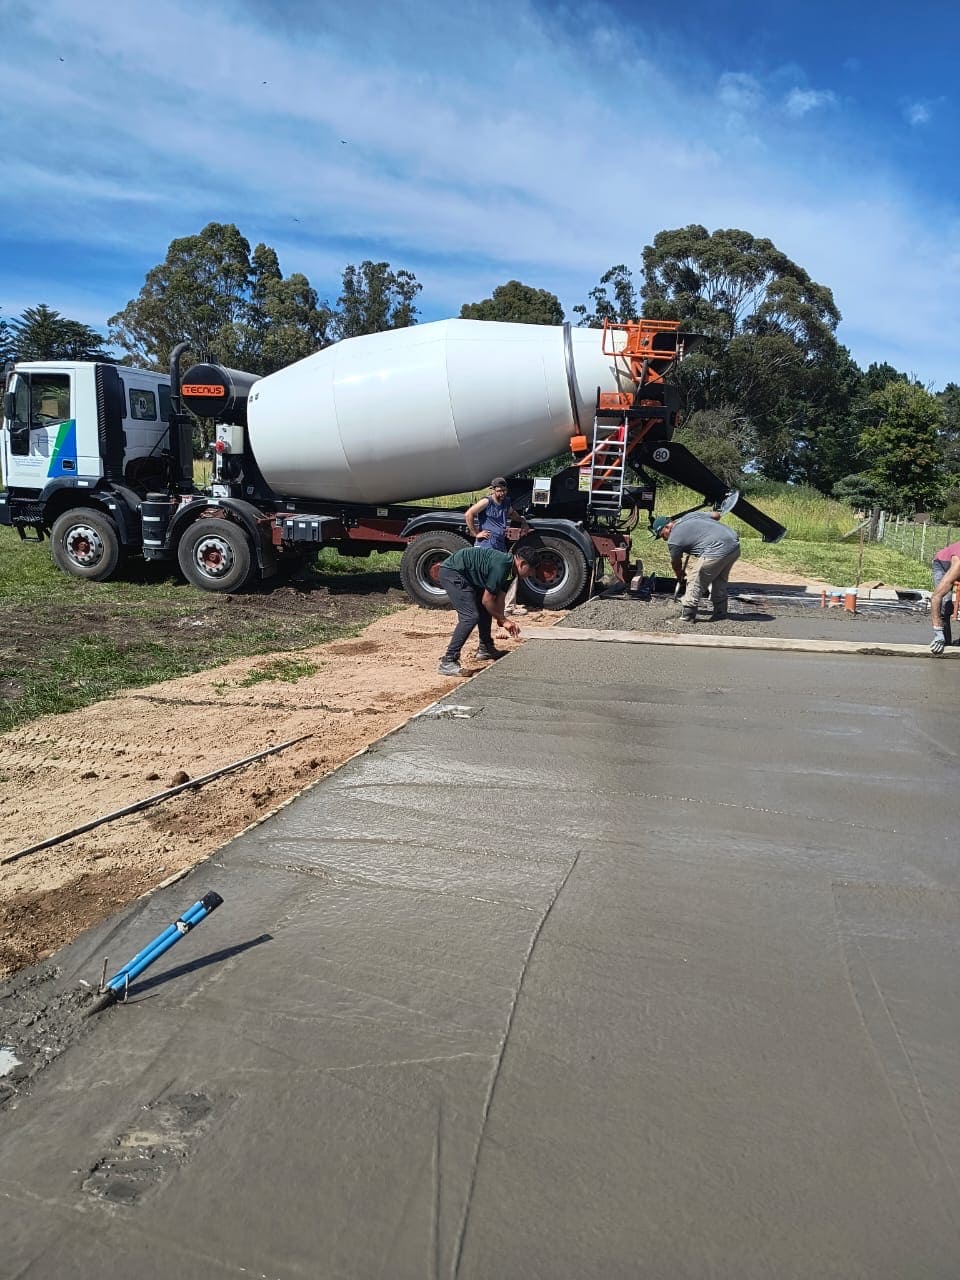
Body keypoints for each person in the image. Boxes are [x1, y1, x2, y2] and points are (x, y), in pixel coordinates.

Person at [437, 542, 533, 676]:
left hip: (469, 576)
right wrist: (502, 619)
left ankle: (485, 648)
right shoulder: (503, 566)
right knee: (470, 617)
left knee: (484, 609)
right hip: (453, 572)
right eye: (531, 570)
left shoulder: (511, 572)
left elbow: (499, 598)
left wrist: (501, 619)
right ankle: (448, 661)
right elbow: (487, 599)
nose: (531, 574)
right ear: (522, 564)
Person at [651, 511, 740, 622]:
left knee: (696, 579)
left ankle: (688, 613)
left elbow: (676, 563)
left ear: (667, 527)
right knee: (718, 579)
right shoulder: (690, 516)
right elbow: (717, 515)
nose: (664, 539)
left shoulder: (673, 539)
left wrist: (679, 575)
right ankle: (720, 612)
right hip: (734, 545)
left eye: (661, 535)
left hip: (716, 548)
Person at [465, 477, 530, 615]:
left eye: (504, 490)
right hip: (486, 544)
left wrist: (523, 521)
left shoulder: (506, 502)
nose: (502, 493)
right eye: (499, 491)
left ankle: (508, 607)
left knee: (509, 573)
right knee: (482, 574)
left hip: (499, 544)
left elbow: (513, 514)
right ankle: (477, 605)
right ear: (493, 490)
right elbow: (469, 514)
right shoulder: (486, 501)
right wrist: (476, 533)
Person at [929, 540, 960, 655]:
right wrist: (937, 630)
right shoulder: (958, 564)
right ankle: (944, 640)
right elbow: (936, 597)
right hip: (942, 564)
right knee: (945, 604)